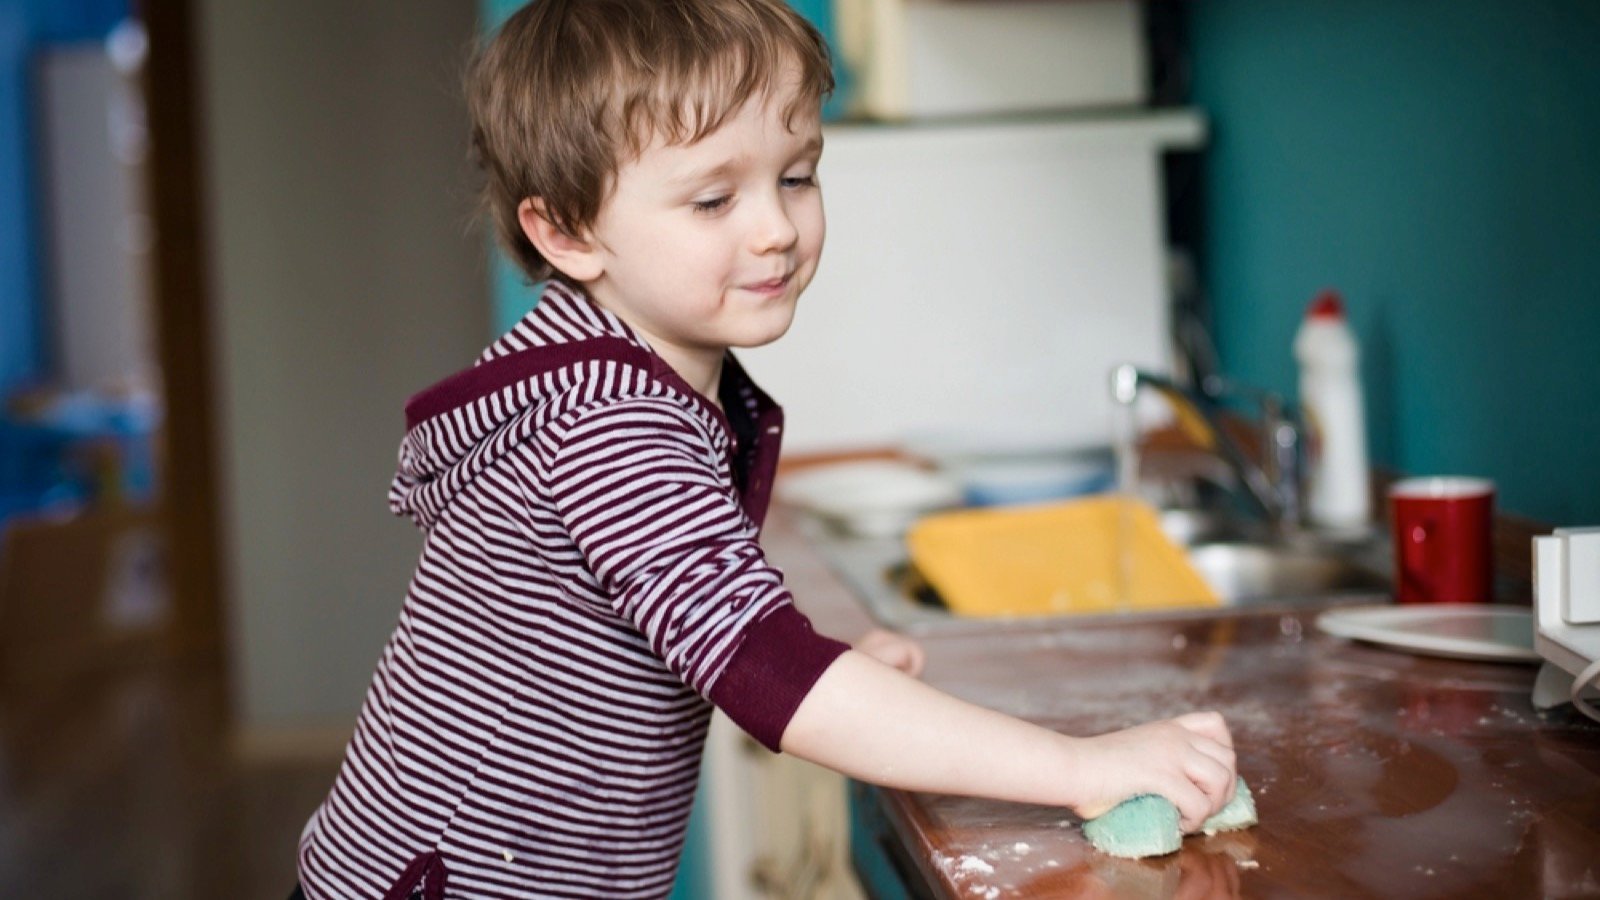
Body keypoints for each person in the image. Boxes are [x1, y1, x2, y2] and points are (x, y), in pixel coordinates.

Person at [292, 1, 1238, 897]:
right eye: (713, 199)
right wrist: (1083, 766)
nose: (777, 227)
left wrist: (828, 666)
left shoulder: (625, 378)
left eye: (796, 175)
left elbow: (691, 612)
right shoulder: (606, 425)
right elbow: (766, 673)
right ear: (568, 231)